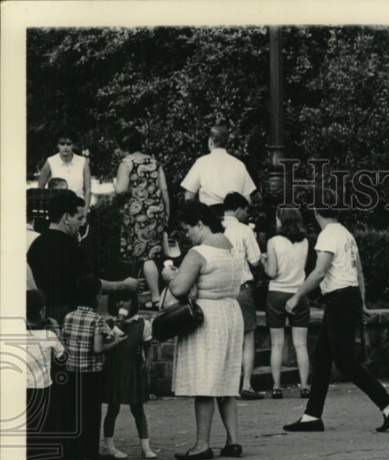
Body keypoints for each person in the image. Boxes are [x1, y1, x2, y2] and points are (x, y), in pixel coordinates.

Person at [282, 209, 389, 433]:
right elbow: (358, 271)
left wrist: (297, 296)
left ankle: (387, 403)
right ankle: (312, 416)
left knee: (345, 361)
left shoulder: (328, 235)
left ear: (316, 212)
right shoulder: (346, 234)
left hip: (339, 299)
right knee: (322, 357)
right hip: (346, 298)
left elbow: (320, 272)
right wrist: (363, 303)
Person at [166, 202, 244, 460]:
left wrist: (169, 276)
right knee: (226, 381)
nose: (187, 234)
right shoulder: (232, 248)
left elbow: (178, 289)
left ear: (200, 223)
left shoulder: (199, 252)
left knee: (205, 381)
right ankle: (233, 441)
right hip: (231, 313)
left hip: (207, 316)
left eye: (188, 229)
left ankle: (202, 444)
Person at [27, 190, 139, 324]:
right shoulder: (70, 247)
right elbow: (90, 284)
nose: (82, 223)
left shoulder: (36, 245)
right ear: (67, 217)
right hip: (72, 318)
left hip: (45, 316)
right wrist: (123, 285)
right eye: (79, 218)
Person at [62, 276, 127, 460]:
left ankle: (72, 455)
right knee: (91, 415)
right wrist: (117, 342)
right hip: (91, 372)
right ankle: (89, 456)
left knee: (74, 414)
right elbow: (98, 348)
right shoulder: (96, 319)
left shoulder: (68, 316)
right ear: (95, 297)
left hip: (72, 370)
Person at [114, 128, 170, 308]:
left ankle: (154, 297)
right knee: (152, 253)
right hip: (157, 211)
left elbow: (121, 189)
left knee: (143, 256)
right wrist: (167, 212)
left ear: (123, 146)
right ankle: (149, 296)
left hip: (137, 214)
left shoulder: (126, 162)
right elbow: (164, 189)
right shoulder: (154, 161)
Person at [100, 292, 157, 460]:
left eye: (126, 300)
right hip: (115, 368)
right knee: (113, 407)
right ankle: (109, 446)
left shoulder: (142, 323)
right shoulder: (109, 322)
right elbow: (107, 344)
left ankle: (145, 446)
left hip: (134, 367)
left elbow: (148, 346)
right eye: (118, 301)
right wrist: (119, 323)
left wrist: (148, 362)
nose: (122, 304)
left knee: (138, 408)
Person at [264, 206, 311, 399]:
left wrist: (263, 261)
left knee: (277, 344)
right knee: (301, 345)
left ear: (282, 221)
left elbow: (272, 272)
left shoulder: (273, 241)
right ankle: (304, 386)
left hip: (276, 294)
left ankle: (276, 387)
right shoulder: (305, 242)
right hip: (298, 294)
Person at [221, 192, 264, 399]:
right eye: (246, 210)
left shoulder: (215, 228)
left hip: (220, 289)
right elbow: (255, 261)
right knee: (247, 337)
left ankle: (224, 383)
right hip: (242, 287)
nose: (247, 215)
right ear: (238, 209)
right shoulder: (244, 230)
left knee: (224, 337)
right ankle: (246, 384)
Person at [24, 289, 66, 460]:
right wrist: (58, 332)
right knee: (45, 432)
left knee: (24, 431)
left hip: (21, 390)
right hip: (43, 389)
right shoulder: (49, 335)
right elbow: (62, 356)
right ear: (42, 311)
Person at [180, 126, 256, 213]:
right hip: (234, 217)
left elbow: (189, 195)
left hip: (209, 217)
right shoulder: (239, 164)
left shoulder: (202, 162)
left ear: (210, 141)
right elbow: (248, 199)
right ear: (227, 143)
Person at [37, 131, 91, 207]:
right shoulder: (50, 161)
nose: (65, 147)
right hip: (56, 208)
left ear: (74, 145)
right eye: (62, 144)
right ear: (57, 145)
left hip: (78, 209)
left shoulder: (83, 162)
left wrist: (85, 213)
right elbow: (40, 188)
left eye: (69, 144)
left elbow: (88, 190)